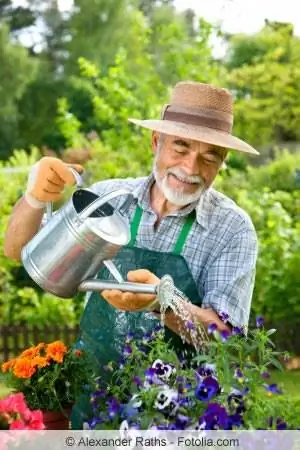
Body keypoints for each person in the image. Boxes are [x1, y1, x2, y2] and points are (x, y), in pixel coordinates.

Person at [4, 81, 259, 427]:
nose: (190, 167)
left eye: (209, 156)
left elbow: (226, 341)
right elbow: (19, 251)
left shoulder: (232, 229)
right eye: (180, 148)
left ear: (222, 162)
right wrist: (35, 198)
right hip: (93, 395)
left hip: (174, 409)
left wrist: (162, 302)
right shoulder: (108, 200)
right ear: (157, 142)